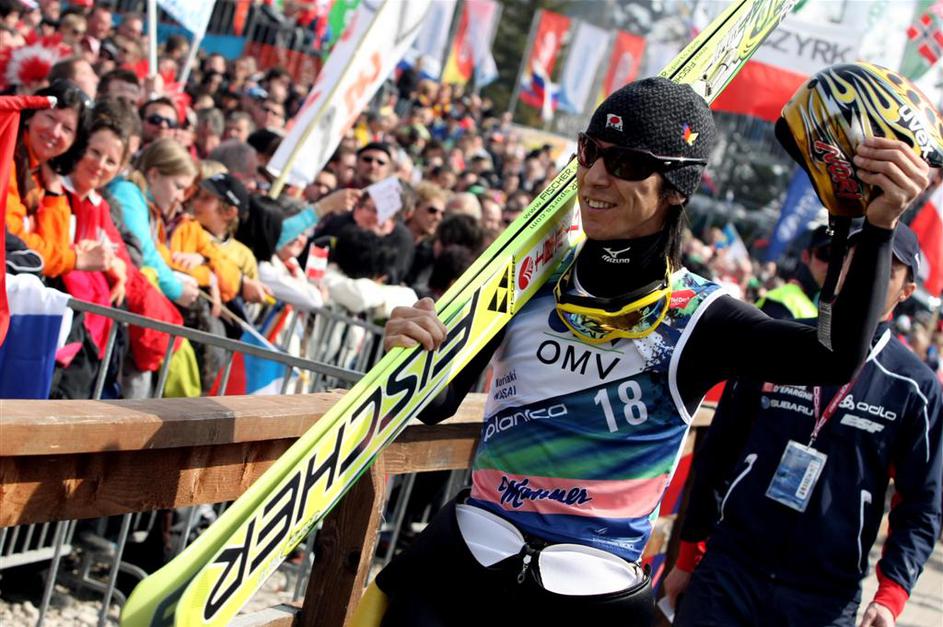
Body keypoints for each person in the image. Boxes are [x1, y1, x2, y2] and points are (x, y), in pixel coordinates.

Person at [375, 77, 930, 626]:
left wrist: (872, 226)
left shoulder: (701, 317)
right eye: (590, 151)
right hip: (466, 567)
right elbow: (437, 403)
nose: (595, 176)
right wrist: (416, 342)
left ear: (677, 188)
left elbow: (833, 358)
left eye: (627, 164)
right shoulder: (529, 276)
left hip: (591, 593)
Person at [664, 224, 942, 627]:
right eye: (855, 258)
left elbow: (921, 505)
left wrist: (891, 594)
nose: (867, 271)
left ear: (906, 291)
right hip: (730, 571)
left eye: (888, 268)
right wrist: (688, 556)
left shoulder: (915, 387)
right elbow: (719, 451)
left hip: (824, 599)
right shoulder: (778, 340)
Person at [5, 81, 109, 279]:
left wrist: (53, 192)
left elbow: (57, 245)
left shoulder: (42, 173)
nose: (55, 132)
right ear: (30, 116)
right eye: (50, 118)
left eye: (67, 129)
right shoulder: (6, 158)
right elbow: (12, 240)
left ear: (74, 142)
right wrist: (75, 260)